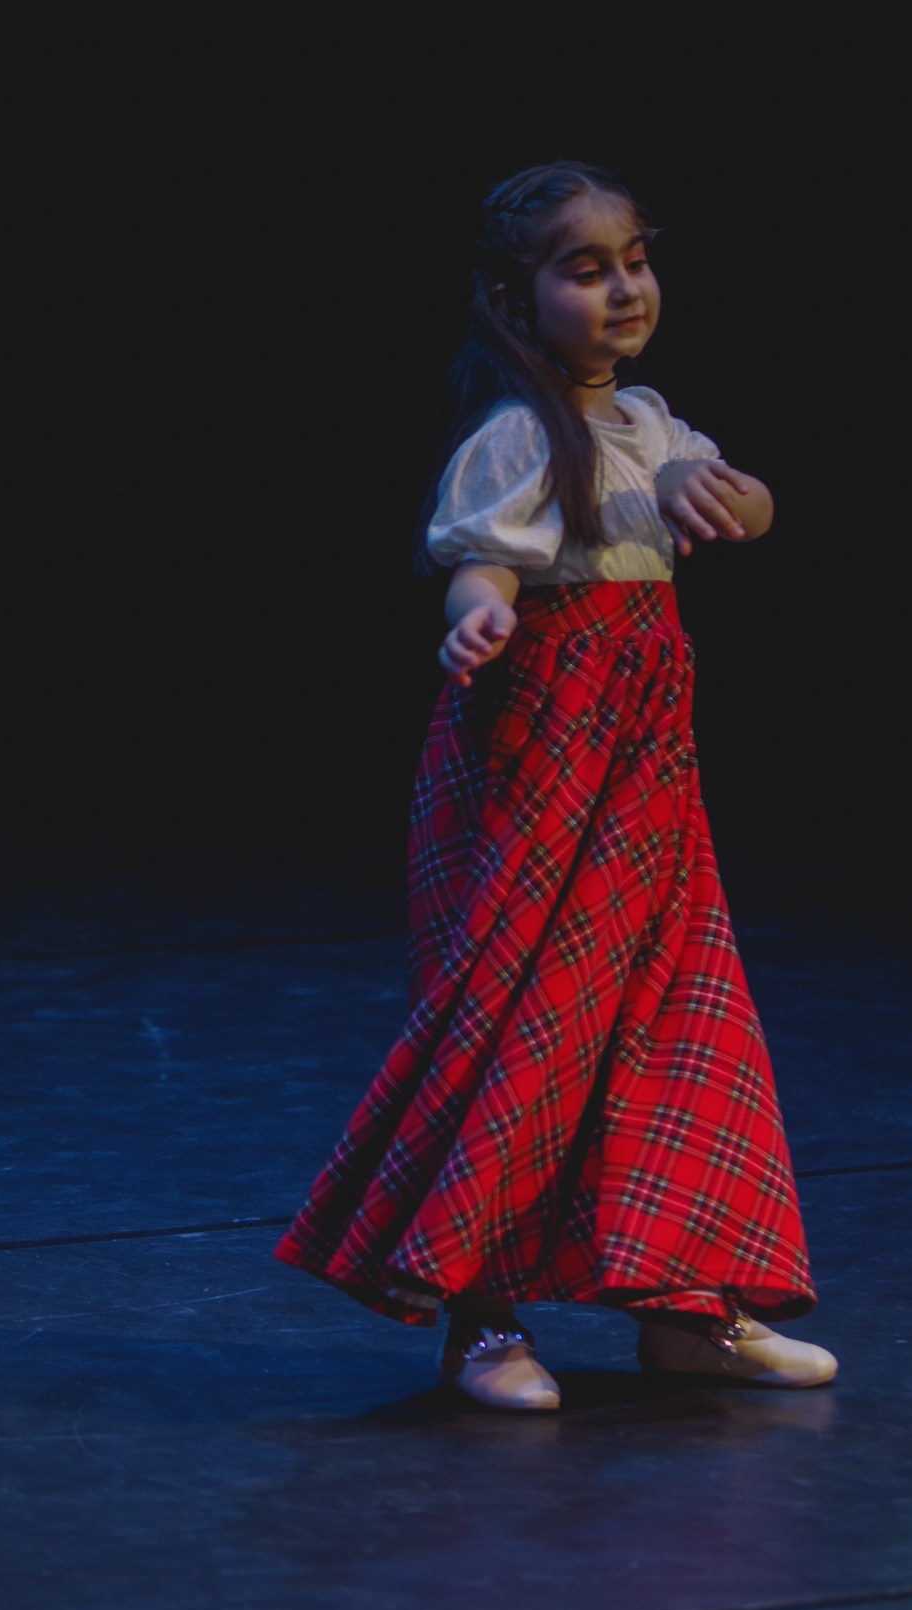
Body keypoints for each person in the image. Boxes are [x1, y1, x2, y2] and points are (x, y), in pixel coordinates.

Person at [274, 163, 836, 1412]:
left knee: (676, 1023)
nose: (622, 287)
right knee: (526, 1030)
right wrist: (475, 623)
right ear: (513, 300)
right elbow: (479, 569)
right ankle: (478, 1320)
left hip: (645, 782)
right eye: (584, 269)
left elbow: (750, 505)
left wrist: (716, 487)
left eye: (634, 258)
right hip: (536, 770)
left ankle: (689, 1306)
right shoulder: (521, 434)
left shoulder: (644, 420)